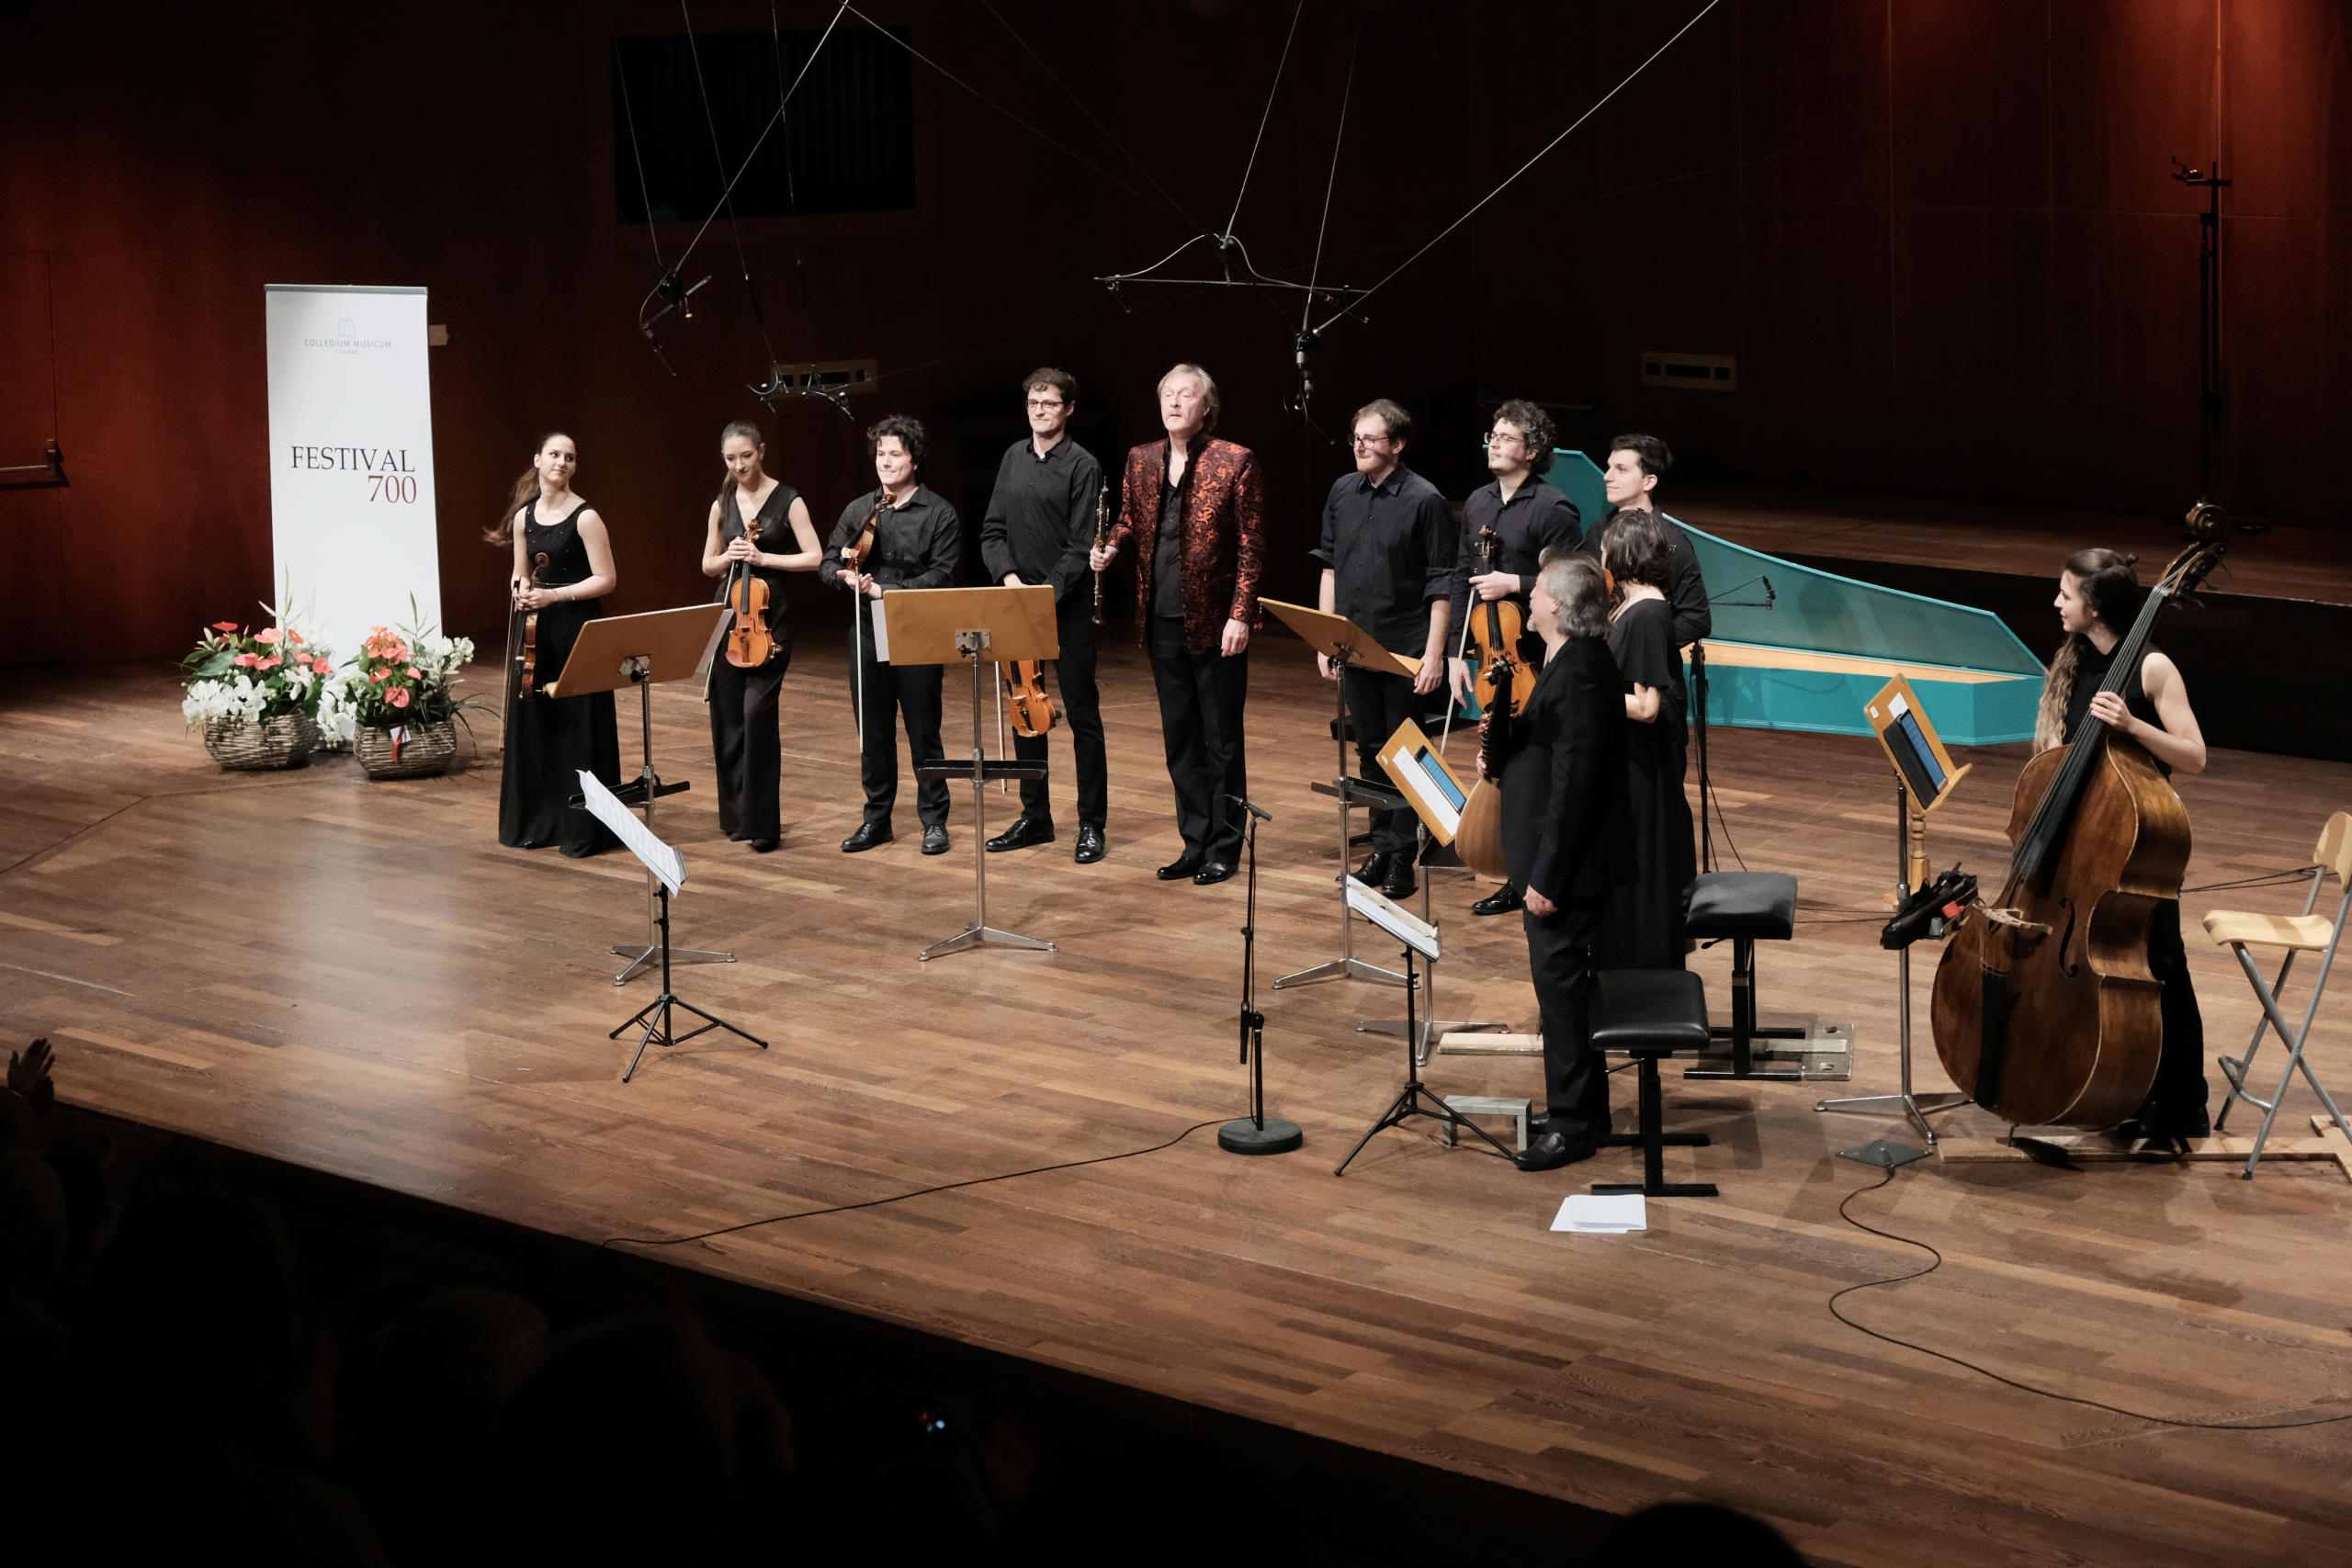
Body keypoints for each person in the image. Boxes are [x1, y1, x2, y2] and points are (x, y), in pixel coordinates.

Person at [2041, 547, 2211, 1145]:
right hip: (2089, 846)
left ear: (2094, 605)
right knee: (2106, 970)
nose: (2057, 602)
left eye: (2066, 594)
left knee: (2163, 966)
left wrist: (2133, 725)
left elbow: (2195, 755)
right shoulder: (2076, 660)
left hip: (2139, 846)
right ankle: (2124, 1085)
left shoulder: (2152, 667)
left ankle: (2185, 1104)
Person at [1090, 364, 1267, 886]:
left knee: (1222, 739)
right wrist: (1112, 548)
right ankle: (1195, 841)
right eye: (1167, 393)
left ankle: (1225, 846)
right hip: (1160, 616)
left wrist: (1241, 614)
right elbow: (1128, 519)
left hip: (1215, 621)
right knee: (1180, 739)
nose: (1173, 402)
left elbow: (1253, 547)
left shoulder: (1236, 460)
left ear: (1205, 406)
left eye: (1185, 394)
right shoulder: (1141, 458)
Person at [1487, 555, 1634, 1172]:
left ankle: (1574, 1125)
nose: (1529, 596)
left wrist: (1547, 875)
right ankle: (1584, 1110)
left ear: (1560, 604)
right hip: (1558, 861)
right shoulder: (1568, 659)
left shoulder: (1581, 670)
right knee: (1562, 992)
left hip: (1566, 870)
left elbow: (1576, 785)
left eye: (1538, 589)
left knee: (1562, 993)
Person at [1312, 399, 1453, 899]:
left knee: (1404, 753)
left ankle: (1403, 857)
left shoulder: (1425, 500)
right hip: (1355, 647)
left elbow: (1442, 583)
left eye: (1371, 438)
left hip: (1404, 646)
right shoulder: (1342, 491)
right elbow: (1330, 565)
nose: (1359, 445)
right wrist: (1325, 637)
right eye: (1356, 437)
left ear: (1398, 444)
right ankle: (1381, 846)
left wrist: (1434, 654)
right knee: (1370, 749)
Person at [1447, 400, 1582, 917]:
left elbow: (1575, 580)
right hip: (1491, 657)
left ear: (1533, 450)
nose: (1494, 443)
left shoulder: (1553, 507)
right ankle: (1512, 867)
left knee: (1536, 767)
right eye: (1493, 434)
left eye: (1506, 437)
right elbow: (1461, 578)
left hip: (1538, 658)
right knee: (1500, 760)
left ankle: (1539, 873)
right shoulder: (1479, 502)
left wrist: (1517, 583)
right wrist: (1456, 654)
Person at [978, 368, 1110, 864]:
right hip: (1018, 603)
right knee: (1025, 711)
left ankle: (1091, 824)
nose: (1039, 411)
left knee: (1082, 715)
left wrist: (1043, 595)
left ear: (1068, 409)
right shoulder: (1013, 456)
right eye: (1033, 403)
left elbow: (1081, 546)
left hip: (1066, 608)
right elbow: (992, 531)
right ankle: (1036, 817)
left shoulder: (1083, 465)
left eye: (1049, 403)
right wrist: (1009, 578)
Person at [821, 416, 961, 856]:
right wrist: (844, 577)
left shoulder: (939, 513)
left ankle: (934, 821)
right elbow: (828, 562)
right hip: (866, 631)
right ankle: (876, 820)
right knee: (874, 732)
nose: (885, 461)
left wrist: (886, 590)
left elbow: (941, 576)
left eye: (895, 454)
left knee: (924, 730)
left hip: (916, 631)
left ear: (915, 460)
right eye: (880, 454)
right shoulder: (860, 510)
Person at [496, 432, 622, 857]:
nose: (562, 462)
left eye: (570, 457)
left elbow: (606, 579)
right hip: (537, 631)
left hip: (576, 627)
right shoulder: (524, 517)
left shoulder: (586, 517)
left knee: (577, 724)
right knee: (539, 722)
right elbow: (520, 572)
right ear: (538, 460)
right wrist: (520, 591)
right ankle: (541, 821)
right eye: (554, 454)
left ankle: (582, 827)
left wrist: (554, 596)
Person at [701, 420, 822, 853]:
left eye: (746, 456)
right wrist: (726, 558)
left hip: (771, 621)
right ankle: (737, 818)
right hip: (729, 618)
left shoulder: (789, 500)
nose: (739, 466)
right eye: (731, 459)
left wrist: (764, 557)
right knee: (729, 719)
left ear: (762, 451)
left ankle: (764, 823)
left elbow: (815, 557)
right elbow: (707, 564)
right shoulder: (722, 503)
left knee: (757, 717)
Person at [1596, 514, 1697, 965]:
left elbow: (1647, 705)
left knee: (1645, 860)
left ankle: (1646, 963)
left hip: (1642, 763)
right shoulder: (1632, 606)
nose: (1600, 555)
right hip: (1629, 758)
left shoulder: (1648, 613)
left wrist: (1587, 694)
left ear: (1623, 553)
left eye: (1605, 548)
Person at [1577, 433, 1710, 647]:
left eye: (1621, 469)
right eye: (1609, 467)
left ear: (1649, 481)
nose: (1607, 476)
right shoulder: (1598, 530)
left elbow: (1696, 618)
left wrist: (1643, 646)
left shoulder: (1672, 541)